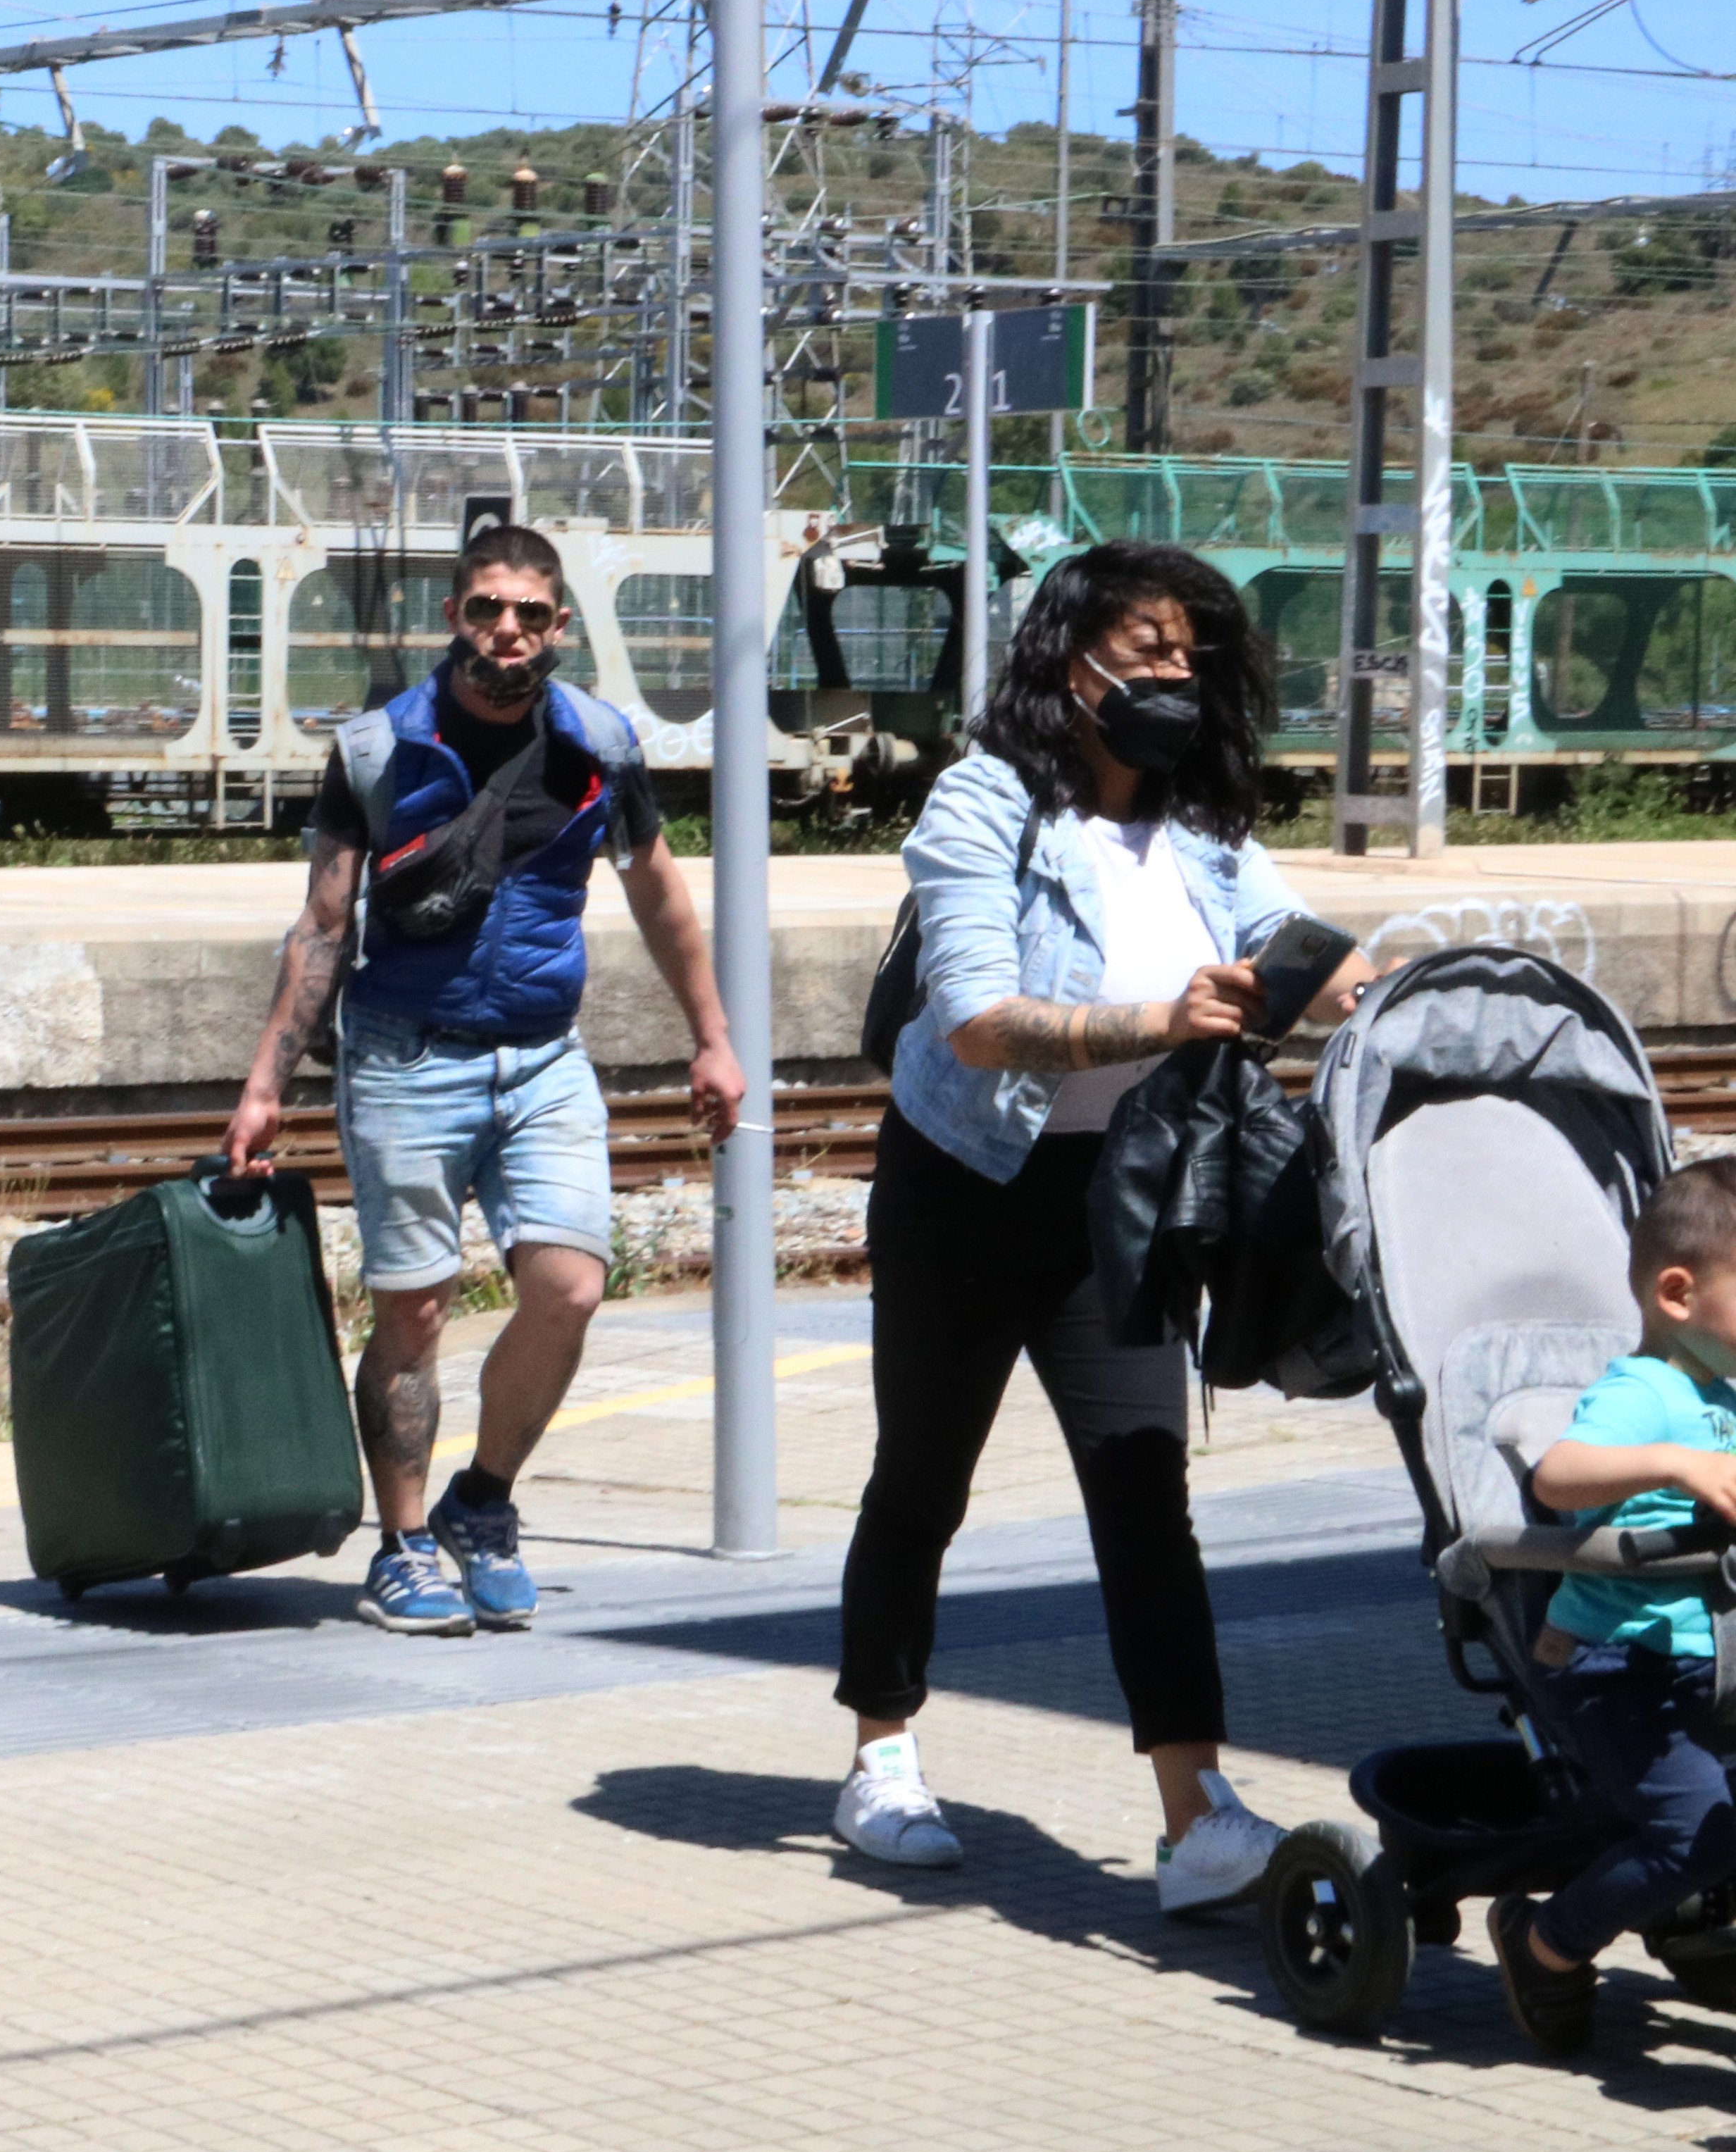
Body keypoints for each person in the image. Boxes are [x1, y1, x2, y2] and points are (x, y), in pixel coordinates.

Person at [835, 538, 1370, 1910]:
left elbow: (1304, 945)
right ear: (1067, 663)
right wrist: (1154, 1018)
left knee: (1144, 1497)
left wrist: (1392, 979)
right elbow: (973, 1013)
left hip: (1111, 1204)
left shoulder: (1196, 832)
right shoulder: (980, 804)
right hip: (962, 1187)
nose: (1171, 672)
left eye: (1189, 652)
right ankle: (880, 1751)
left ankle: (1194, 1816)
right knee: (923, 1478)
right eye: (1145, 649)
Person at [224, 523, 739, 1636]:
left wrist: (713, 1035)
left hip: (546, 1056)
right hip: (409, 1054)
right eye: (486, 608)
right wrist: (265, 1081)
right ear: (455, 618)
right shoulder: (377, 751)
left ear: (558, 626)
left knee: (569, 1288)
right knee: (413, 1310)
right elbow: (321, 927)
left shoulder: (598, 742)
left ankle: (482, 1501)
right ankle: (403, 1545)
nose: (508, 629)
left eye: (531, 612)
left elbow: (659, 894)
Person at [1490, 1159, 1736, 2055]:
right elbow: (1558, 1477)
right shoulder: (1646, 1395)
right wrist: (1680, 1465)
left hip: (1712, 1662)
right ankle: (1545, 1944)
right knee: (1695, 1837)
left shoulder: (1728, 1389)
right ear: (1678, 1293)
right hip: (1618, 1673)